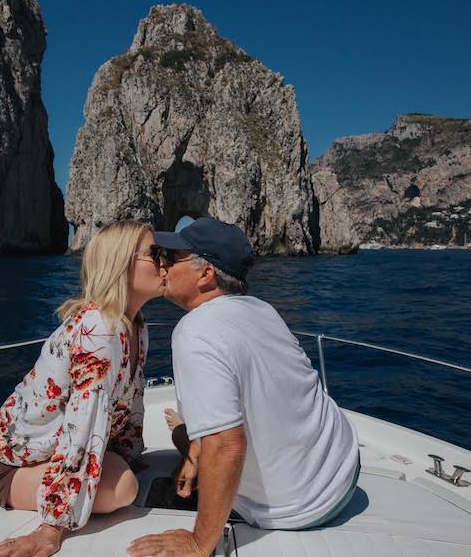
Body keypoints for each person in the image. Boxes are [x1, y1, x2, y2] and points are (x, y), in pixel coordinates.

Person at [128, 217, 360, 557]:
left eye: (171, 257)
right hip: (344, 469)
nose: (162, 264)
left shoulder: (196, 332)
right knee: (189, 437)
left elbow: (227, 446)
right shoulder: (262, 310)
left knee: (194, 439)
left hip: (299, 508)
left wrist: (198, 543)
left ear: (205, 274)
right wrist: (191, 448)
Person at [0, 221, 168, 557]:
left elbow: (130, 404)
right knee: (123, 488)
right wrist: (52, 528)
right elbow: (84, 423)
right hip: (8, 468)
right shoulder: (99, 330)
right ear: (122, 263)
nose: (166, 262)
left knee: (126, 475)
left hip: (52, 454)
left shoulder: (136, 325)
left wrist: (126, 455)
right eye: (155, 254)